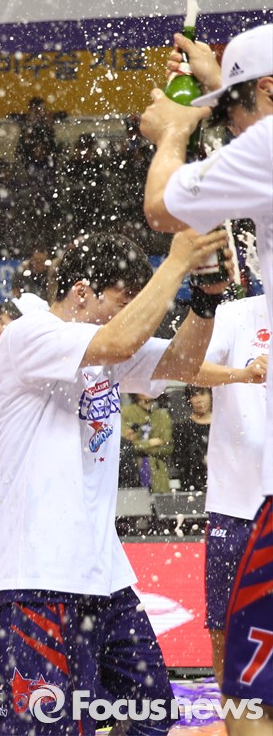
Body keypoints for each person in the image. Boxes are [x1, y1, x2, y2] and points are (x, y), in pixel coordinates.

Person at [0, 229, 230, 736]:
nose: (131, 314)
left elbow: (182, 363)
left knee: (151, 711)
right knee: (44, 726)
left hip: (103, 574)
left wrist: (205, 300)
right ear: (82, 291)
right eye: (123, 301)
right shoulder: (30, 334)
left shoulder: (107, 352)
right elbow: (120, 340)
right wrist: (175, 263)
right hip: (37, 572)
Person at [140, 22, 273, 733]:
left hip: (262, 501)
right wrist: (219, 82)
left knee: (251, 692)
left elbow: (163, 206)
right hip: (241, 500)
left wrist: (176, 127)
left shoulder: (270, 142)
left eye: (235, 112)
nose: (234, 129)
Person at [189, 294, 268, 688]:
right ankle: (234, 712)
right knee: (223, 627)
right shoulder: (235, 314)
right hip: (235, 505)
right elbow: (190, 368)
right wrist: (243, 374)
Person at [171, 386, 212, 492]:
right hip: (192, 483)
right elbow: (179, 459)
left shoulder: (221, 425)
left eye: (202, 394)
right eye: (194, 396)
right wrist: (200, 460)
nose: (199, 400)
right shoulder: (182, 428)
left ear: (211, 396)